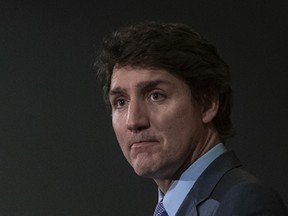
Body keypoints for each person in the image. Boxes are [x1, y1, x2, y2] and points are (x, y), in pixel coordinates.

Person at [95, 21, 288, 216]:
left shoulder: (244, 204)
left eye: (156, 95)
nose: (133, 121)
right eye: (120, 102)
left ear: (207, 104)